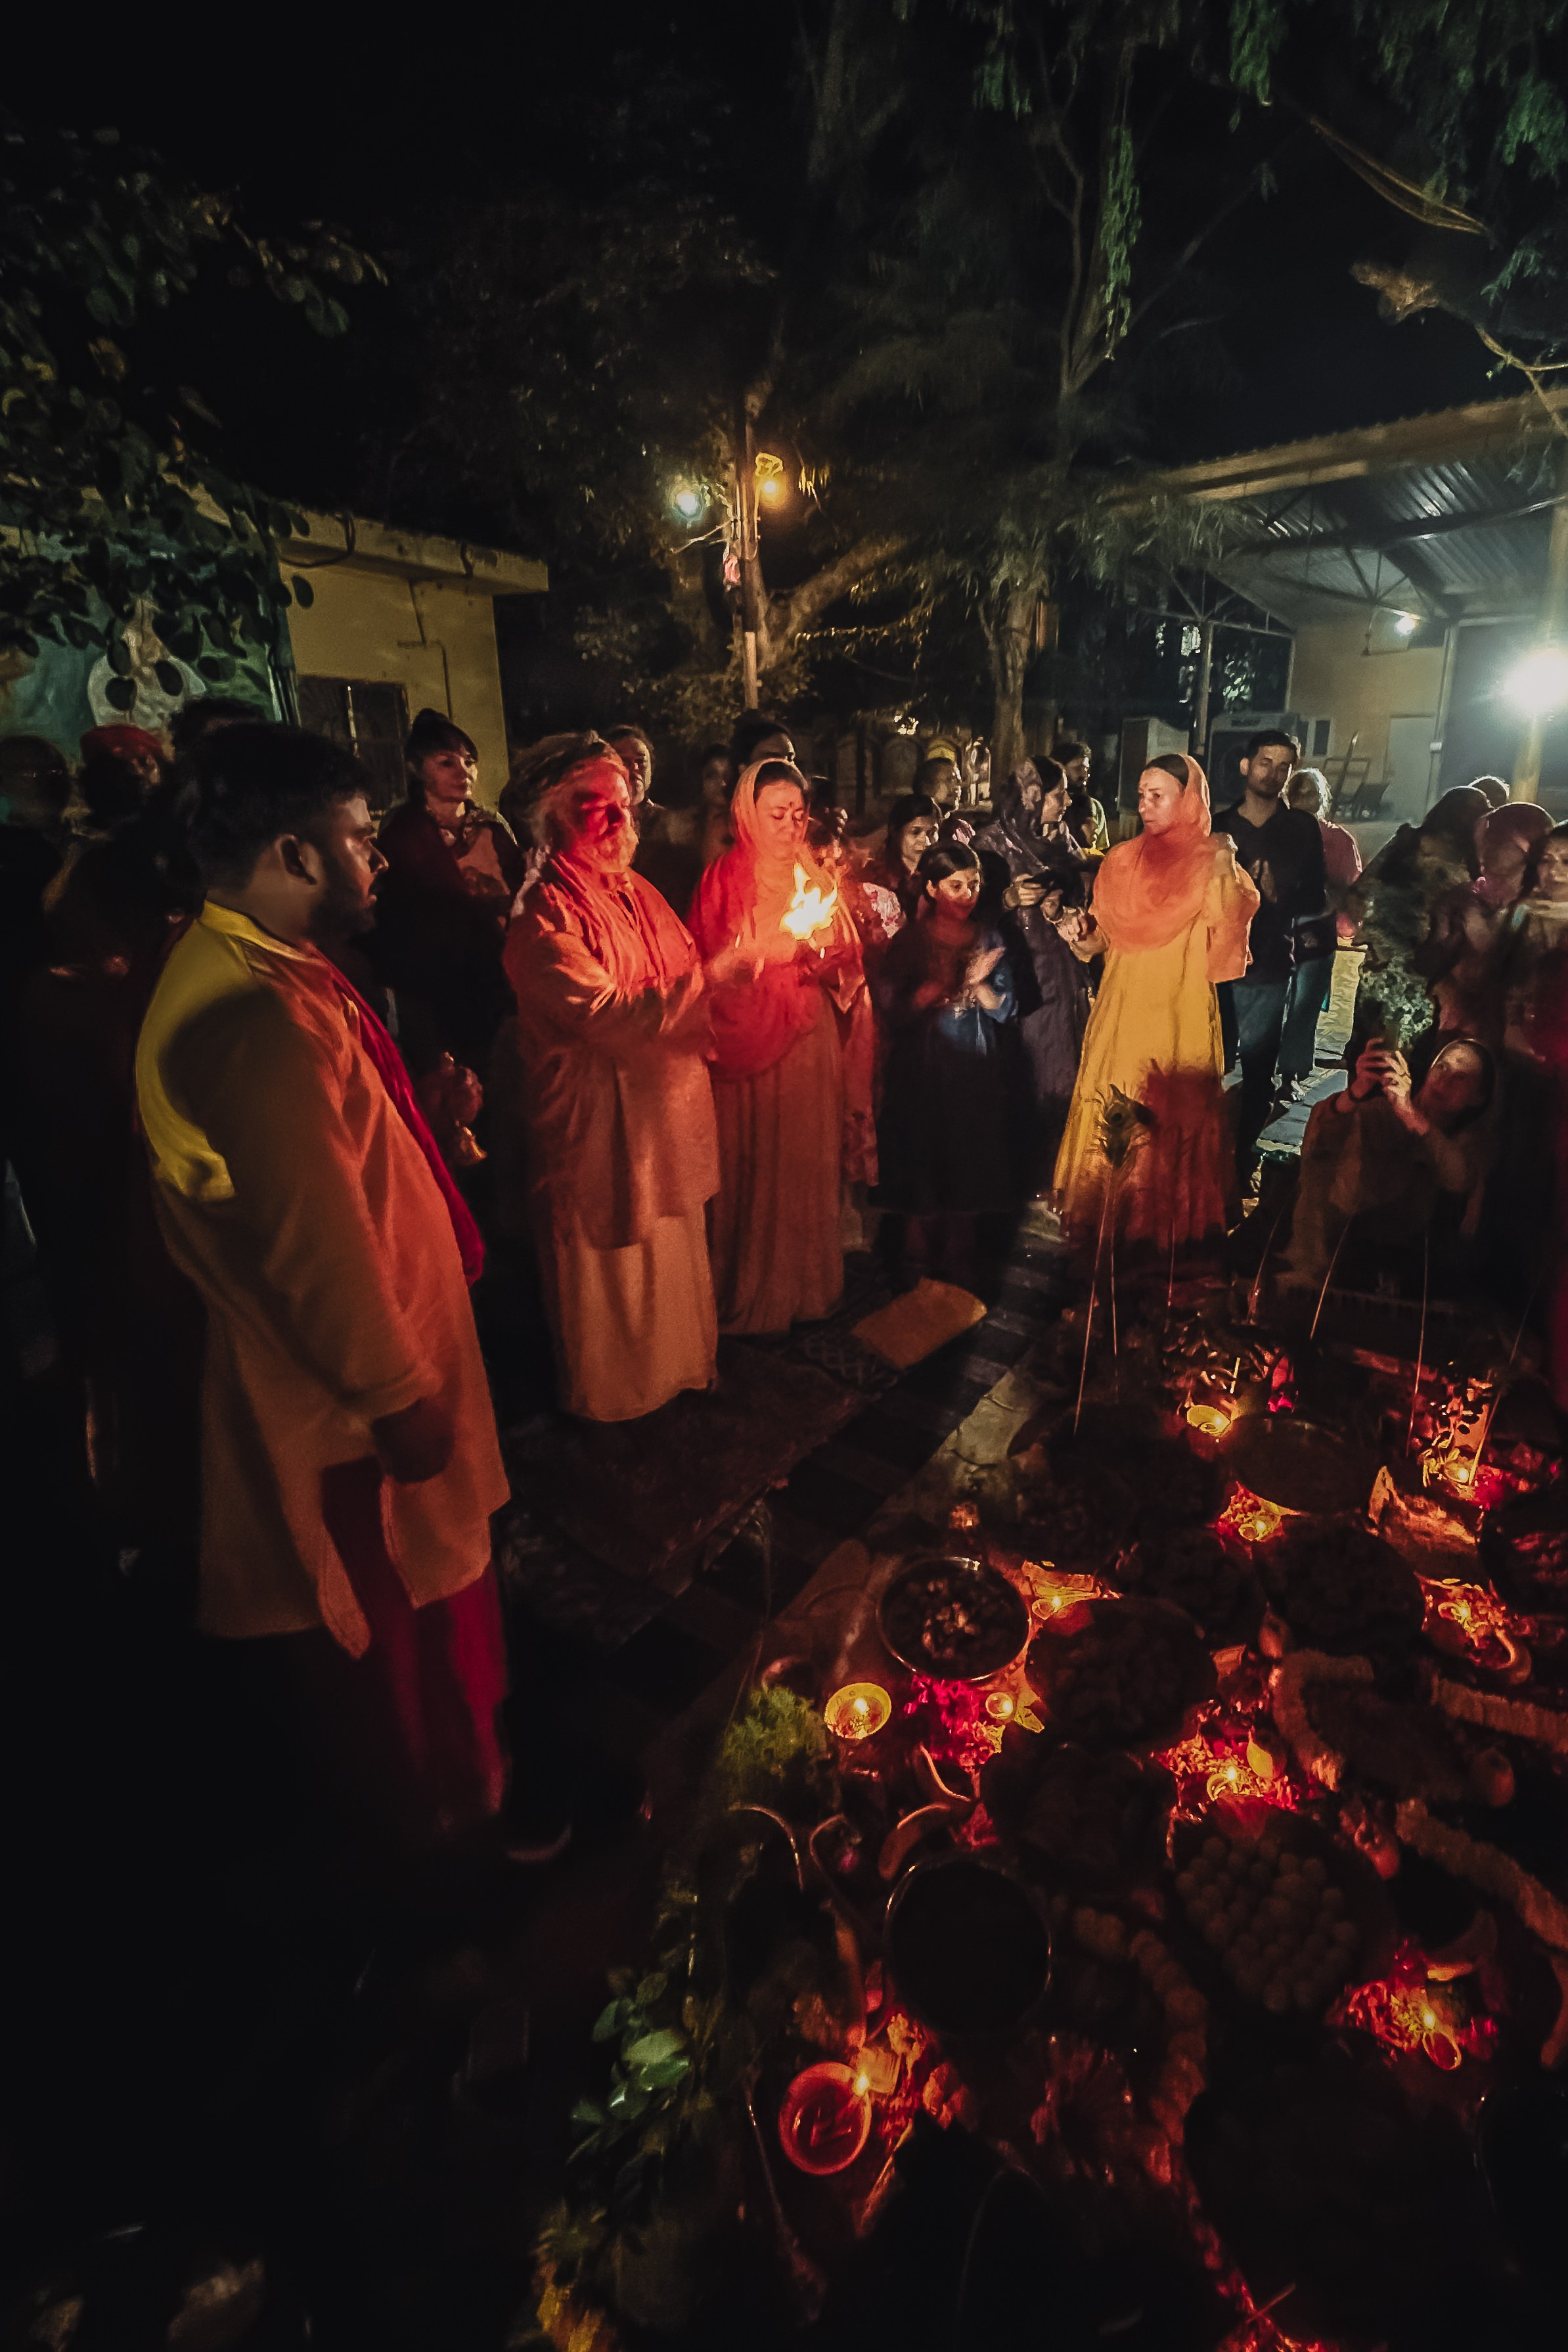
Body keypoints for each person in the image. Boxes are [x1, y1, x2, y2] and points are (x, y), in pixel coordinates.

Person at [134, 726, 509, 1859]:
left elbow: (317, 1164)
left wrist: (420, 1127)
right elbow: (312, 1242)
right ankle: (442, 1882)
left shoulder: (261, 970)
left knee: (434, 1632)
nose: (379, 858)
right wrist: (398, 1393)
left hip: (362, 1380)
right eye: (358, 839)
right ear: (296, 855)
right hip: (346, 1417)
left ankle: (468, 1833)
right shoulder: (253, 1019)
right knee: (402, 1654)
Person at [503, 735, 736, 1420]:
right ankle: (613, 1398)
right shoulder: (542, 915)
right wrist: (715, 978)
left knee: (672, 1246)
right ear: (551, 821)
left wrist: (724, 974)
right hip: (600, 1123)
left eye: (620, 806)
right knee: (612, 1261)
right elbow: (603, 1012)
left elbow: (680, 967)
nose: (613, 822)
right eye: (591, 807)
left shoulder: (638, 892)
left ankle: (682, 1369)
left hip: (661, 1112)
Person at [690, 758, 872, 1332]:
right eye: (778, 814)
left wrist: (825, 959)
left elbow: (847, 958)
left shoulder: (815, 876)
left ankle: (804, 1286)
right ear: (748, 814)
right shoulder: (724, 878)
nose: (792, 826)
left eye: (798, 813)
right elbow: (704, 969)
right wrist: (756, 967)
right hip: (750, 1040)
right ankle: (751, 1288)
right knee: (756, 1161)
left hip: (809, 1035)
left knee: (804, 1160)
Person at [1054, 756, 1259, 1256]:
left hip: (1178, 1012)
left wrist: (1221, 862)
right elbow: (1100, 942)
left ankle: (1166, 1231)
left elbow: (1229, 927)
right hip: (1121, 1011)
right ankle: (1112, 1218)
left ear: (1187, 799)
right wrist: (1078, 934)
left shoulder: (1210, 863)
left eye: (1157, 795)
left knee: (1168, 1116)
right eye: (1141, 794)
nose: (1144, 805)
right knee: (1116, 1109)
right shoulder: (1121, 861)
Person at [874, 842, 1019, 1284]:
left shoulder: (987, 939)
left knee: (966, 1159)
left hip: (970, 1070)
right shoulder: (911, 942)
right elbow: (890, 1008)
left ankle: (959, 1259)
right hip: (921, 1070)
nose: (965, 895)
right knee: (920, 1158)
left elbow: (1005, 1008)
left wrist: (977, 986)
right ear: (933, 888)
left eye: (973, 886)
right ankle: (916, 1257)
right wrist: (932, 988)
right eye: (955, 886)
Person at [1282, 1035, 1496, 1299]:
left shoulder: (1468, 1142)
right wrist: (1356, 1091)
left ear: (1478, 1097)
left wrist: (1410, 1115)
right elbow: (1318, 1146)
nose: (1445, 1080)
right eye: (1442, 1066)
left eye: (1461, 1076)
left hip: (1396, 1272)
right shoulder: (1382, 1113)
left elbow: (1458, 1176)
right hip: (1323, 1254)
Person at [376, 708, 524, 1071]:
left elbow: (523, 891)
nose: (464, 772)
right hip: (438, 988)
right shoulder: (404, 835)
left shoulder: (492, 826)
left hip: (504, 974)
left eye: (469, 761)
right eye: (446, 762)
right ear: (415, 768)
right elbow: (404, 915)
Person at [1213, 731, 1326, 1167]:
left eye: (1284, 766)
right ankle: (1201, 1162)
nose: (1273, 774)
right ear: (1245, 765)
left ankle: (1241, 1158)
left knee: (1259, 1070)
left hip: (1268, 965)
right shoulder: (1218, 827)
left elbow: (1316, 899)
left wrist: (1279, 896)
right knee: (1209, 1066)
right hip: (1216, 967)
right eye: (1265, 762)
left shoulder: (1300, 828)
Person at [975, 759, 1090, 1183]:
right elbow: (969, 911)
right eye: (1057, 794)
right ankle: (1019, 1174)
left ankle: (1053, 1172)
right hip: (1016, 973)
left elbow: (1086, 896)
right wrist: (1008, 897)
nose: (1066, 801)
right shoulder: (992, 845)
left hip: (1061, 972)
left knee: (1064, 1070)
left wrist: (1066, 910)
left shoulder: (1065, 843)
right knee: (1022, 1074)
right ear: (1031, 797)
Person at [1274, 767, 1353, 1098]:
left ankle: (1290, 1074)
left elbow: (1349, 889)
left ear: (1322, 799)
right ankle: (1267, 1071)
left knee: (1303, 1004)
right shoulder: (1272, 833)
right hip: (1277, 928)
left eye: (1311, 794)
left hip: (1316, 929)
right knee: (1273, 1002)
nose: (1305, 800)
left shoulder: (1337, 840)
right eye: (1300, 793)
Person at [847, 792, 941, 969]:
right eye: (915, 832)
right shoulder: (875, 881)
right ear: (896, 832)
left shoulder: (940, 876)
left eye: (933, 832)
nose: (926, 841)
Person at [1054, 740, 1109, 855]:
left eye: (1087, 769)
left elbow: (1100, 852)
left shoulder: (1095, 807)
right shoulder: (1049, 807)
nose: (1085, 775)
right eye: (1078, 768)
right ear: (1061, 768)